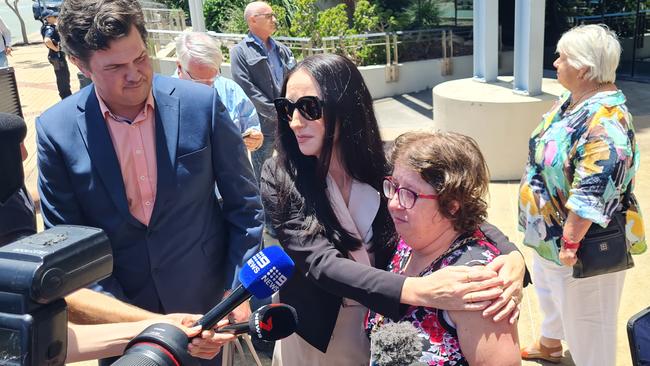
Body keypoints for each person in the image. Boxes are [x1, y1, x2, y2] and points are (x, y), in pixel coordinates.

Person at [261, 53, 527, 365]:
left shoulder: (386, 163)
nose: (294, 121)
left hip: (386, 324)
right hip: (321, 332)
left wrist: (512, 256)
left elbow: (456, 205)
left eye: (309, 107)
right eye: (287, 107)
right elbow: (320, 263)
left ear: (345, 106)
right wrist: (419, 290)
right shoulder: (279, 174)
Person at [36, 0, 263, 364]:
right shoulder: (56, 131)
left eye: (140, 58)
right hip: (123, 331)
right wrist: (128, 321)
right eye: (114, 67)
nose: (135, 74)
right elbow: (68, 252)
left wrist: (235, 293)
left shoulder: (200, 105)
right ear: (80, 64)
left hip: (207, 317)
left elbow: (245, 207)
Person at [0, 112, 233, 362]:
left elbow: (50, 341)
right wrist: (156, 324)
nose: (24, 156)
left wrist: (161, 327)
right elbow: (46, 291)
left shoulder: (10, 191)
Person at [519, 24, 645, 366]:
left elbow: (593, 191)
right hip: (552, 233)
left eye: (563, 56)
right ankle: (549, 344)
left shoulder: (606, 121)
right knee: (550, 292)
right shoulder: (573, 101)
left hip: (583, 244)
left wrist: (571, 242)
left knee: (589, 325)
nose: (555, 61)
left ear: (586, 69)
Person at [366, 131, 521, 365]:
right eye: (394, 186)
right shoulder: (408, 243)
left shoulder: (477, 286)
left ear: (451, 205)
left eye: (409, 194)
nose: (394, 203)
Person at [175, 31, 263, 152]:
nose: (207, 86)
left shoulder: (230, 89)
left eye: (213, 77)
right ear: (180, 67)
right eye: (199, 80)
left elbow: (252, 127)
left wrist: (255, 139)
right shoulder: (163, 98)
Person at [40, 10, 71, 99]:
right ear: (47, 18)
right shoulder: (49, 28)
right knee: (63, 77)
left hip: (56, 56)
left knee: (64, 76)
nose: (56, 18)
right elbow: (47, 40)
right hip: (56, 57)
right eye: (54, 17)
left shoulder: (49, 27)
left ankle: (66, 96)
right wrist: (56, 49)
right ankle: (66, 97)